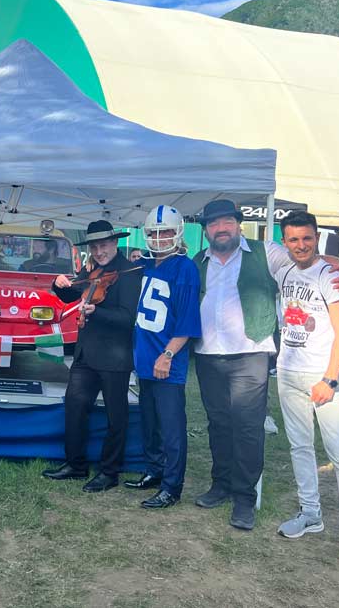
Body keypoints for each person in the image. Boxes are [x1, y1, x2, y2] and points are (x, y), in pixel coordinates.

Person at [192, 199, 339, 531]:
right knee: (218, 424)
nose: (221, 229)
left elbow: (304, 257)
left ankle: (244, 498)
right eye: (213, 224)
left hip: (250, 353)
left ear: (238, 224)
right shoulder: (199, 261)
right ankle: (221, 484)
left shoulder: (265, 252)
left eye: (227, 222)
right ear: (206, 230)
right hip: (208, 354)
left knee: (248, 427)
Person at [273, 211, 339, 566]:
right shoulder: (282, 267)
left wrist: (330, 380)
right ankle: (310, 513)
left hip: (322, 378)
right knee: (300, 447)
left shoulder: (330, 276)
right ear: (285, 241)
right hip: (288, 372)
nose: (301, 245)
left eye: (307, 238)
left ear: (317, 238)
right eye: (294, 239)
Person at [42, 220, 142, 492]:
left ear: (115, 243)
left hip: (114, 355)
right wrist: (58, 283)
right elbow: (68, 295)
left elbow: (127, 317)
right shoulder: (92, 270)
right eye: (95, 247)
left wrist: (97, 313)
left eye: (104, 245)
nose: (99, 251)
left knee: (115, 416)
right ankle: (75, 464)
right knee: (74, 407)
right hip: (86, 352)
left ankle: (109, 472)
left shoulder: (130, 271)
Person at [124, 207, 201, 508]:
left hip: (166, 359)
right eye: (154, 233)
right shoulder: (146, 264)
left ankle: (172, 486)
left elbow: (187, 322)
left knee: (171, 427)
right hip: (144, 357)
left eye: (165, 232)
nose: (159, 238)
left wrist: (167, 355)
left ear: (178, 232)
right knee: (150, 422)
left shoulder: (184, 268)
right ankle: (154, 471)